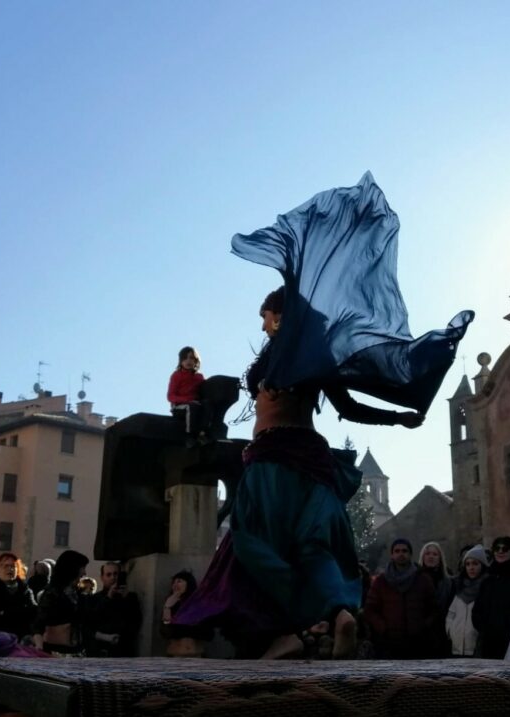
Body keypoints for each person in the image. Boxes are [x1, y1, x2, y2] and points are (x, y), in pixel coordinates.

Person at [169, 176, 471, 660]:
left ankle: (293, 624)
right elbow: (350, 407)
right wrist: (398, 421)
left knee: (248, 540)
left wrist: (296, 284)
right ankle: (335, 615)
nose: (261, 322)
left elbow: (340, 397)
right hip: (312, 464)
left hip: (273, 460)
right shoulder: (313, 360)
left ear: (281, 316)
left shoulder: (296, 352)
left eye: (266, 315)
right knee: (313, 549)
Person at [363, 539, 438, 659]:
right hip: (388, 645)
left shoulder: (423, 579)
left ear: (410, 554)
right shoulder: (381, 581)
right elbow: (370, 610)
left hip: (418, 644)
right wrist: (383, 628)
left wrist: (423, 627)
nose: (401, 554)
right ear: (392, 555)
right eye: (397, 551)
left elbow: (434, 608)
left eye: (404, 551)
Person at [32, 550, 89, 655]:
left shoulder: (78, 594)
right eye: (83, 568)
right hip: (55, 652)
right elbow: (38, 624)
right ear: (73, 568)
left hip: (76, 652)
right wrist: (39, 649)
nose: (85, 573)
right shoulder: (52, 593)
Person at [87, 562, 142, 657]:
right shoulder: (94, 599)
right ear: (102, 577)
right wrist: (108, 597)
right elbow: (91, 621)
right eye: (108, 575)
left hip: (123, 652)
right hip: (100, 652)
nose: (113, 577)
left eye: (116, 574)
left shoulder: (130, 597)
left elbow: (135, 621)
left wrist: (126, 598)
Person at [0, 553, 37, 640]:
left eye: (13, 566)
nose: (10, 569)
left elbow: (33, 612)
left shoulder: (25, 590)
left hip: (21, 639)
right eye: (5, 566)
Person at [444, 545, 488, 657]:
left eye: (475, 563)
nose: (471, 567)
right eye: (468, 564)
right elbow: (451, 614)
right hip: (456, 648)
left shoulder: (488, 588)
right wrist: (450, 631)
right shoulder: (458, 587)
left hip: (478, 649)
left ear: (482, 565)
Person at [418, 541, 453, 656]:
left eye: (435, 554)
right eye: (427, 554)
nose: (431, 557)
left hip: (442, 633)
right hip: (420, 632)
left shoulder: (449, 583)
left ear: (440, 558)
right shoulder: (414, 579)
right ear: (422, 557)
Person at [168, 346, 207, 446]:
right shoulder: (177, 375)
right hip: (179, 407)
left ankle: (202, 433)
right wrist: (187, 400)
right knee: (191, 407)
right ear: (181, 361)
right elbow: (170, 396)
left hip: (195, 403)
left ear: (196, 360)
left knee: (207, 405)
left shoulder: (199, 377)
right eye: (185, 358)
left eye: (191, 358)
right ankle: (189, 436)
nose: (188, 361)